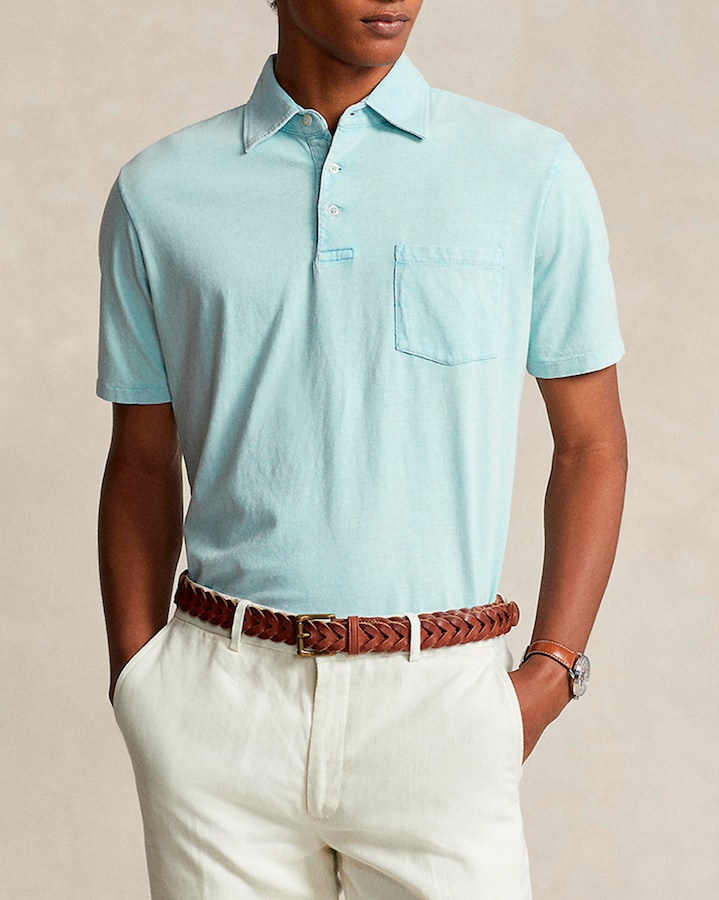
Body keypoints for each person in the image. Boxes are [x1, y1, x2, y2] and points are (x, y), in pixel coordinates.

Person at [97, 1, 627, 897]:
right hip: (218, 710)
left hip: (442, 710)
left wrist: (548, 675)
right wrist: (138, 679)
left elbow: (592, 445)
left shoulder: (527, 171)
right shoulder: (159, 191)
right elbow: (142, 459)